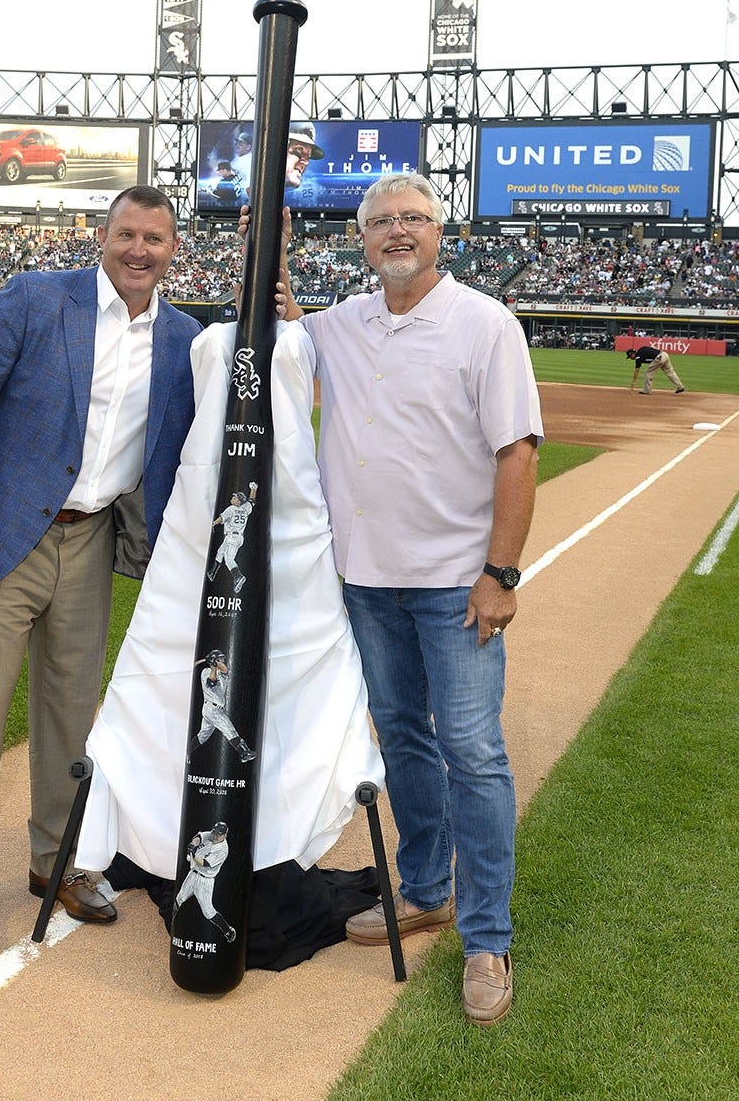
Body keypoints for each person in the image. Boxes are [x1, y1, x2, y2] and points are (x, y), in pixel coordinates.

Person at [276, 173, 543, 1026]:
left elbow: (519, 452)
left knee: (472, 748)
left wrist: (500, 574)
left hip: (455, 584)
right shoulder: (339, 325)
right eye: (382, 221)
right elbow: (274, 324)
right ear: (362, 240)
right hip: (365, 580)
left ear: (440, 235)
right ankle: (426, 887)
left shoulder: (484, 324)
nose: (398, 232)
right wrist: (267, 239)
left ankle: (489, 938)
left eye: (414, 220)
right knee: (400, 739)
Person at [0, 184, 201, 957]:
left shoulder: (182, 338)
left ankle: (55, 863)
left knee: (72, 718)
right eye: (127, 234)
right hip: (5, 532)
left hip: (94, 539)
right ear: (102, 236)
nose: (140, 250)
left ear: (175, 250)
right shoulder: (36, 298)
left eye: (156, 238)